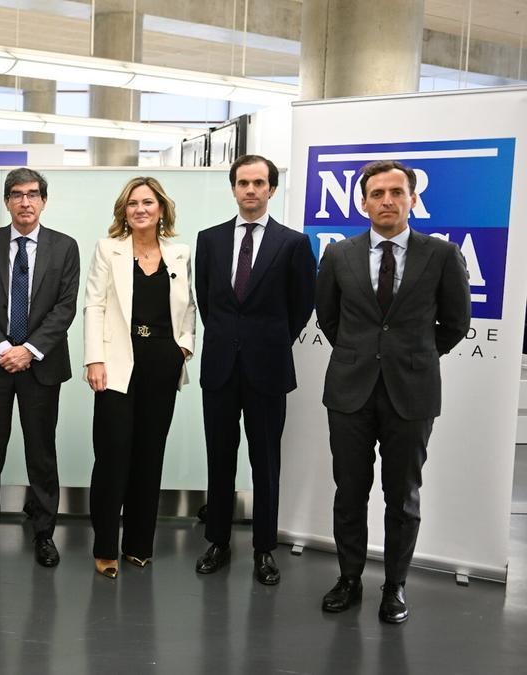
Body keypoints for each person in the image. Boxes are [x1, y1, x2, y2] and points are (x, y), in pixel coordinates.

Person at [316, 160, 470, 624]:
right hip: (349, 391)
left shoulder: (441, 255)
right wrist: (362, 354)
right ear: (363, 202)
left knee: (402, 496)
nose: (387, 200)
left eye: (396, 192)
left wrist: (412, 357)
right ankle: (348, 578)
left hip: (412, 392)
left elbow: (456, 323)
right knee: (350, 491)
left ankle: (395, 586)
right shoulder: (339, 255)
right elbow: (329, 319)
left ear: (412, 200)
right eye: (377, 193)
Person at [193, 155, 316, 585]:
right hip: (221, 368)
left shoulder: (293, 244)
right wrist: (232, 339)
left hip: (267, 369)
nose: (250, 190)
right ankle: (218, 542)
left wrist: (268, 340)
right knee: (220, 459)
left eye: (259, 183)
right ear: (233, 189)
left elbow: (302, 306)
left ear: (271, 190)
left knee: (265, 463)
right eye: (243, 182)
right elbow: (208, 303)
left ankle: (265, 549)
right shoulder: (209, 240)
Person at [0, 168, 80, 567]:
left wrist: (28, 349)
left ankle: (44, 532)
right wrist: (1, 347)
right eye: (16, 195)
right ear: (7, 201)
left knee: (41, 451)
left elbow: (66, 307)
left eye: (32, 195)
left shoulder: (65, 247)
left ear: (44, 201)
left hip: (41, 366)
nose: (25, 202)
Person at [82, 176, 196, 579]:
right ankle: (105, 547)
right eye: (133, 204)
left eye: (148, 202)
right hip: (116, 363)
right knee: (113, 456)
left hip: (162, 362)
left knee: (150, 455)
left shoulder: (179, 253)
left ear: (161, 209)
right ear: (124, 211)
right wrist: (94, 360)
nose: (140, 209)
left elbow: (189, 308)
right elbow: (93, 306)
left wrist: (183, 347)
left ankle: (138, 545)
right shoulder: (107, 249)